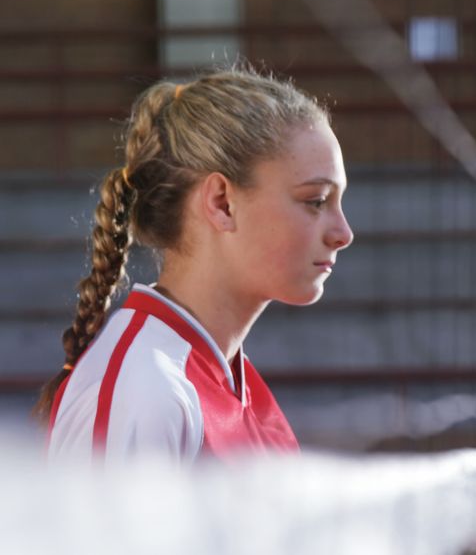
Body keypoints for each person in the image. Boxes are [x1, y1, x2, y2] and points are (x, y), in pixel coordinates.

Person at [34, 68, 354, 463]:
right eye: (316, 200)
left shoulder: (223, 376)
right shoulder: (146, 387)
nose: (343, 233)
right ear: (221, 202)